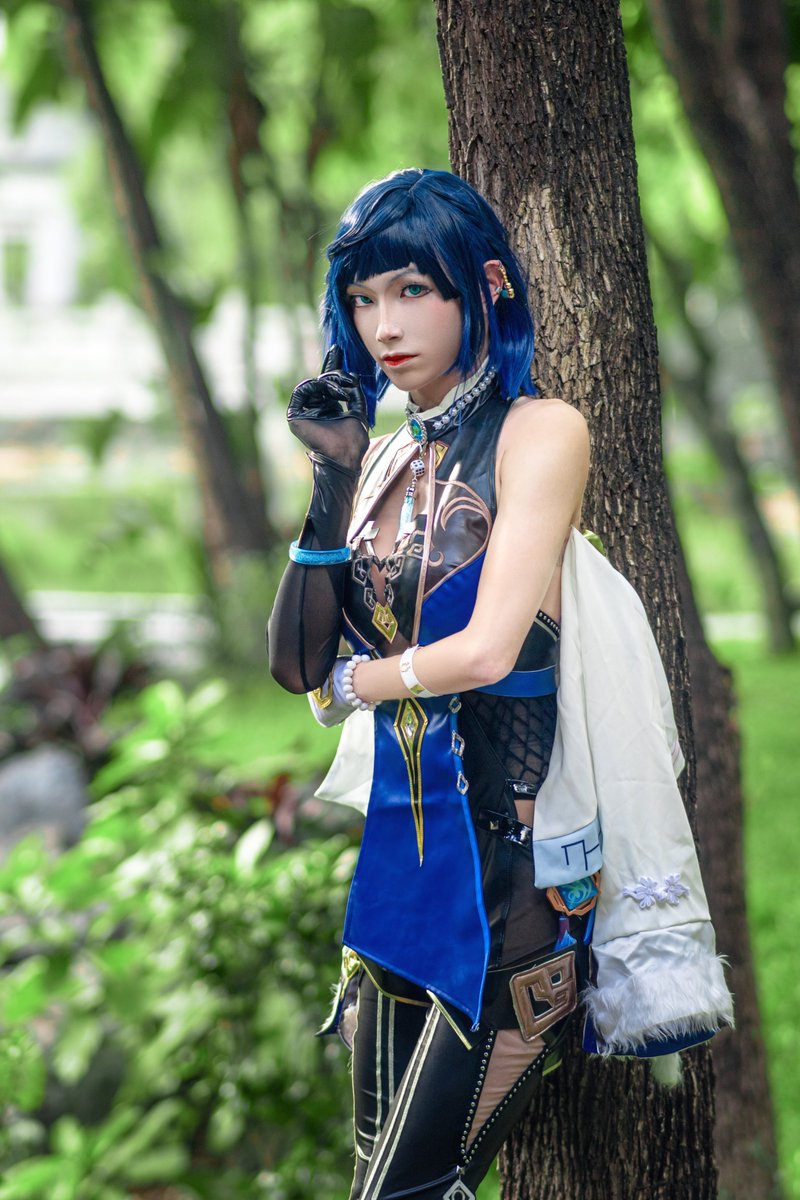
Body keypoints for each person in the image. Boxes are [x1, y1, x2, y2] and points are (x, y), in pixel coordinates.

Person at [268, 168, 733, 1200]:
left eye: (411, 290)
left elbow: (483, 651)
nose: (384, 324)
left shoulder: (540, 431)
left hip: (514, 891)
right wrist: (332, 476)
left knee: (402, 1192)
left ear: (482, 286)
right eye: (362, 299)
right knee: (379, 1184)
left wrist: (360, 680)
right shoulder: (379, 462)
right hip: (395, 883)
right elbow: (295, 667)